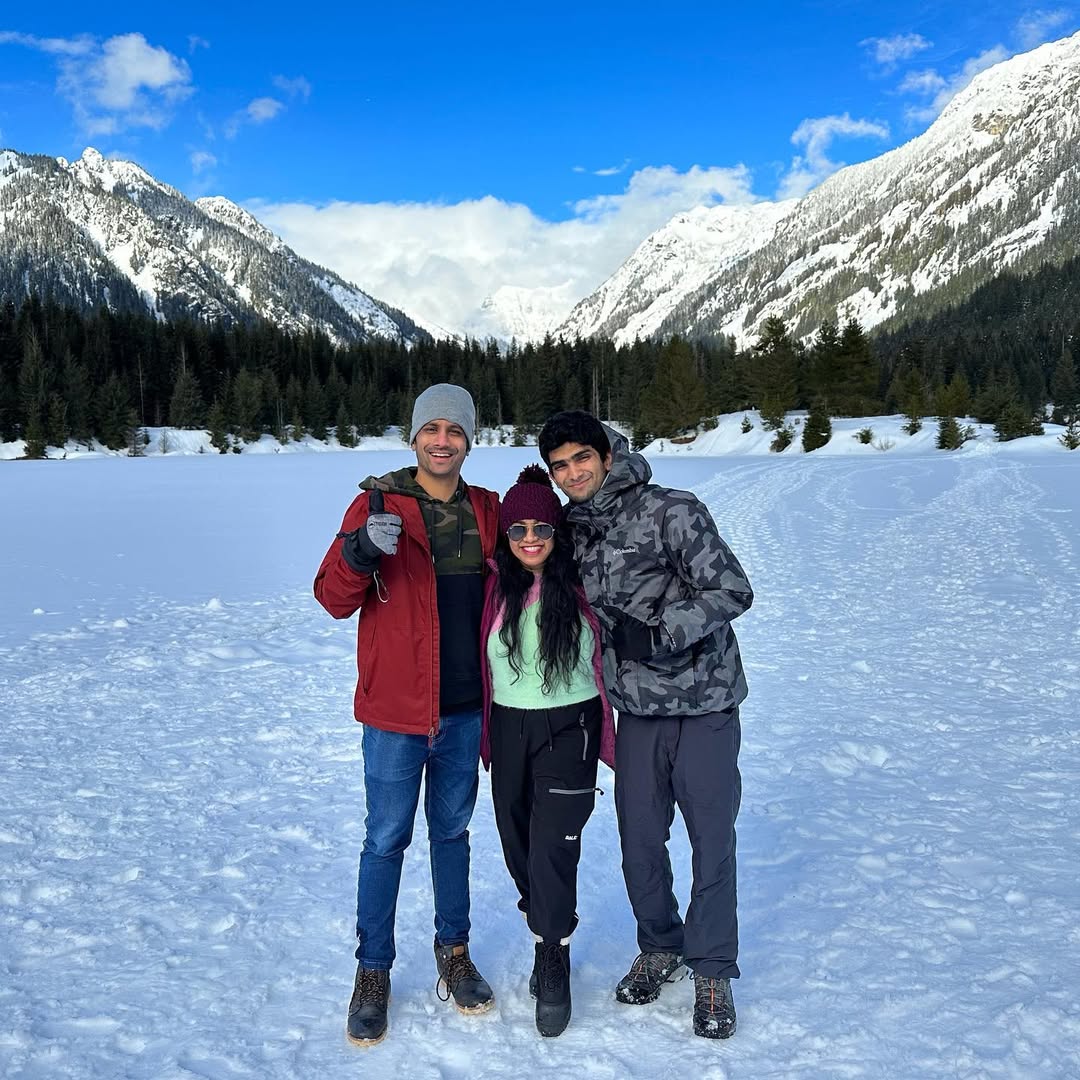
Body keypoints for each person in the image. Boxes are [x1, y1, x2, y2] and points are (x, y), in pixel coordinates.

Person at [537, 410, 753, 1040]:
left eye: (582, 458)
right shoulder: (572, 530)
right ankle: (661, 944)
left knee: (711, 839)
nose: (573, 473)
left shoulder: (670, 510)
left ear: (607, 456)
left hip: (705, 701)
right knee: (639, 840)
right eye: (559, 466)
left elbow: (732, 590)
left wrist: (661, 633)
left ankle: (711, 968)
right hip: (635, 710)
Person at [314, 384, 500, 1046]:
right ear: (414, 436)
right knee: (386, 839)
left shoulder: (487, 510)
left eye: (455, 429)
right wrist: (359, 552)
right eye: (432, 428)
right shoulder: (376, 505)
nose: (442, 440)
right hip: (395, 713)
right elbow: (332, 597)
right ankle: (373, 972)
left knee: (452, 834)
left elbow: (536, 555)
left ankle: (455, 952)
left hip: (465, 712)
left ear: (469, 440)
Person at [478, 465, 615, 1038]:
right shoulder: (492, 586)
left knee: (553, 845)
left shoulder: (583, 583)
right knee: (518, 843)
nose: (530, 538)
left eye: (542, 527)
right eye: (518, 529)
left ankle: (553, 950)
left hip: (570, 725)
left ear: (558, 532)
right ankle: (544, 924)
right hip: (507, 725)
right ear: (506, 535)